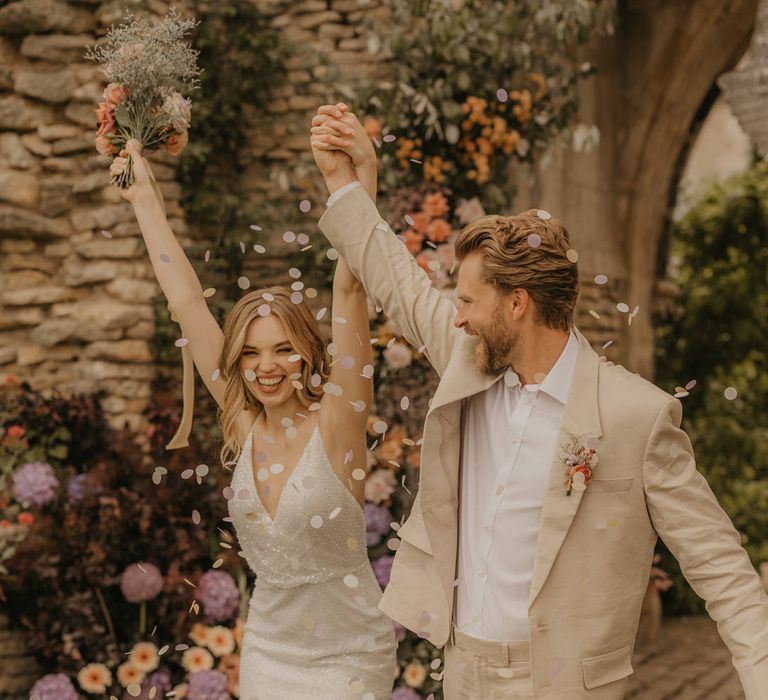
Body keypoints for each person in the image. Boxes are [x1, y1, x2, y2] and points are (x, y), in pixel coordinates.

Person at [309, 105, 768, 699]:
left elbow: (721, 568)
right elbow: (397, 279)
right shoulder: (467, 357)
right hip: (464, 669)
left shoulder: (636, 415)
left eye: (471, 299)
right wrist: (345, 178)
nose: (458, 314)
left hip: (566, 685)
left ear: (517, 303)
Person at [109, 140, 396, 699]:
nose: (266, 368)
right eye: (249, 353)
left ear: (309, 356)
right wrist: (144, 198)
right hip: (269, 654)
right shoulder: (243, 422)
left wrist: (354, 185)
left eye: (283, 350)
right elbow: (189, 304)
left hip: (349, 658)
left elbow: (351, 287)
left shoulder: (338, 424)